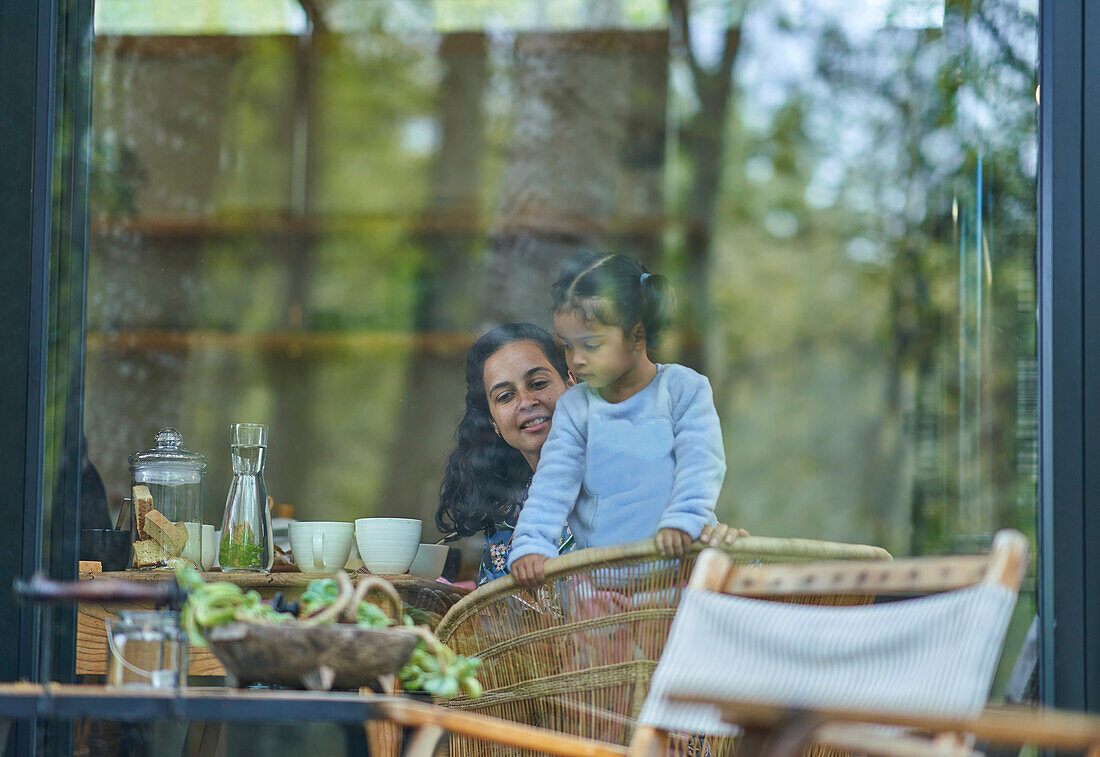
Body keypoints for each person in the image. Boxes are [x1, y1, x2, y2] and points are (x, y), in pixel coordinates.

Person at [437, 322, 742, 586]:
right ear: (494, 421)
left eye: (538, 383)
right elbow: (495, 632)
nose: (526, 401)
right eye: (505, 396)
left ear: (573, 385)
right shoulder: (506, 524)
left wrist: (718, 548)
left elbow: (706, 561)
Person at [508, 253, 729, 588]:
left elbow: (701, 465)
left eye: (591, 345)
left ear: (637, 336)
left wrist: (683, 521)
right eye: (567, 346)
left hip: (683, 567)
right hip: (603, 583)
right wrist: (531, 545)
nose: (576, 360)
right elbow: (551, 487)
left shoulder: (683, 389)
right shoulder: (575, 408)